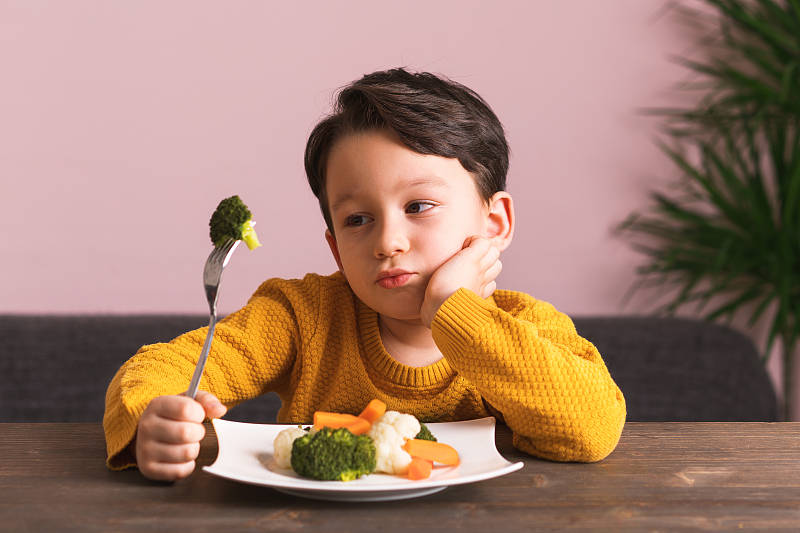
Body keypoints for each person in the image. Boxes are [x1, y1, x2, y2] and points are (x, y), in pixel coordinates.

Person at [104, 67, 626, 481]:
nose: (387, 242)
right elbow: (159, 366)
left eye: (419, 206)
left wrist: (455, 311)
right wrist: (154, 415)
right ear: (334, 247)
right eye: (358, 219)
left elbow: (593, 428)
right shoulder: (300, 316)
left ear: (494, 224)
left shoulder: (524, 327)